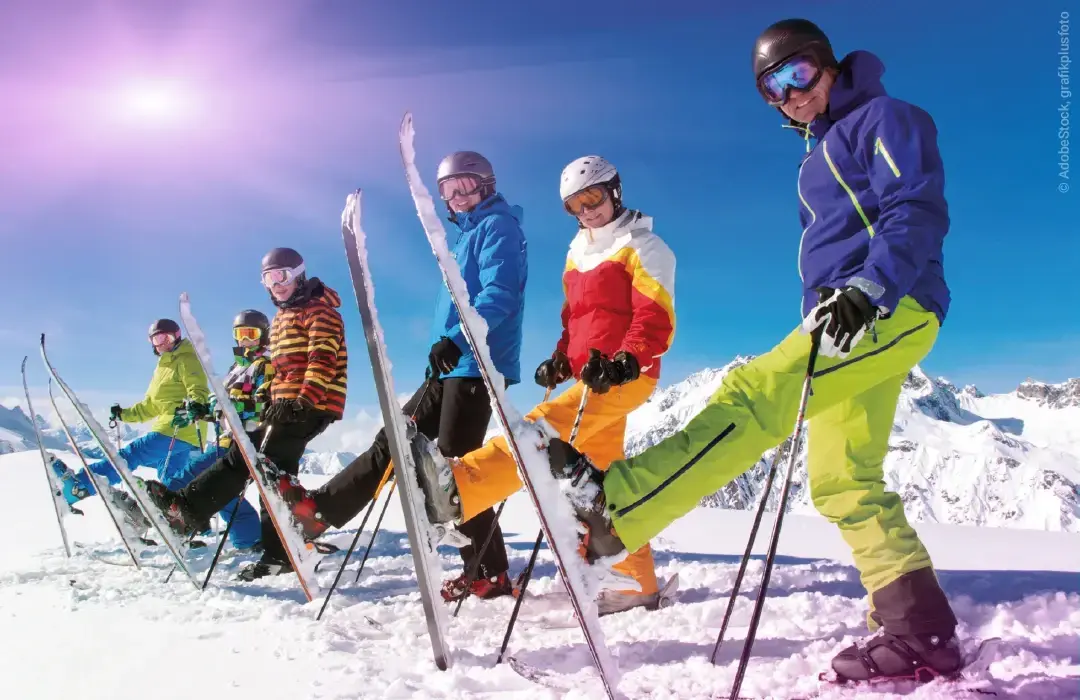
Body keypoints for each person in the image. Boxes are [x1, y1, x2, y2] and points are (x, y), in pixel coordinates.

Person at [522, 18, 960, 684]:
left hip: (884, 304)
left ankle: (622, 506)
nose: (790, 93)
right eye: (771, 88)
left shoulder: (884, 119)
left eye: (799, 73)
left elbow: (914, 206)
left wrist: (870, 287)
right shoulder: (817, 155)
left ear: (827, 64)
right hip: (849, 314)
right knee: (844, 481)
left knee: (751, 395)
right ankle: (918, 631)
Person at [418, 155, 677, 615]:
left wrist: (624, 361)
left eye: (593, 197)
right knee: (604, 485)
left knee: (535, 435)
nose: (586, 210)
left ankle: (461, 489)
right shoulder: (578, 251)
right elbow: (573, 318)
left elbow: (653, 319)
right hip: (588, 378)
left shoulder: (645, 246)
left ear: (614, 191)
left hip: (622, 377)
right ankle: (639, 582)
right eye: (574, 204)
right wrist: (561, 357)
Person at [271, 151, 528, 602]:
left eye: (466, 187)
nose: (458, 197)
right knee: (394, 438)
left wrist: (458, 338)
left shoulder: (498, 227)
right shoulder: (465, 236)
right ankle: (319, 511)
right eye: (449, 191)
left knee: (453, 472)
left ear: (486, 186)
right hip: (450, 364)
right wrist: (446, 344)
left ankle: (491, 572)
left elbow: (500, 293)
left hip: (478, 364)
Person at [145, 248, 348, 581]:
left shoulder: (317, 313)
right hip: (284, 407)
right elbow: (281, 376)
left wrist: (302, 401)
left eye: (281, 274)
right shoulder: (277, 324)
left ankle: (192, 512)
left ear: (298, 273)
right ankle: (280, 546)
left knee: (254, 465)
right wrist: (263, 401)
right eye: (268, 277)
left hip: (306, 405)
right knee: (264, 471)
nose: (275, 283)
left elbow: (321, 361)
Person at [49, 319, 211, 535]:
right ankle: (184, 526)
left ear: (177, 336)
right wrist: (124, 414)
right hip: (180, 432)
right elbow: (150, 406)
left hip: (177, 427)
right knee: (171, 484)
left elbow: (197, 386)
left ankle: (81, 485)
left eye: (166, 337)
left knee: (130, 456)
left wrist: (196, 404)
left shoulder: (186, 358)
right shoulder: (163, 367)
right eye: (156, 338)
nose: (161, 343)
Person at [167, 309, 274, 552]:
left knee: (188, 479)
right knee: (221, 493)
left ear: (263, 336)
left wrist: (234, 405)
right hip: (226, 440)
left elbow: (266, 405)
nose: (245, 340)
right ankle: (249, 538)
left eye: (251, 334)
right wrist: (202, 410)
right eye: (240, 334)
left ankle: (179, 525)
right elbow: (222, 410)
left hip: (244, 442)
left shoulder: (264, 366)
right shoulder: (235, 369)